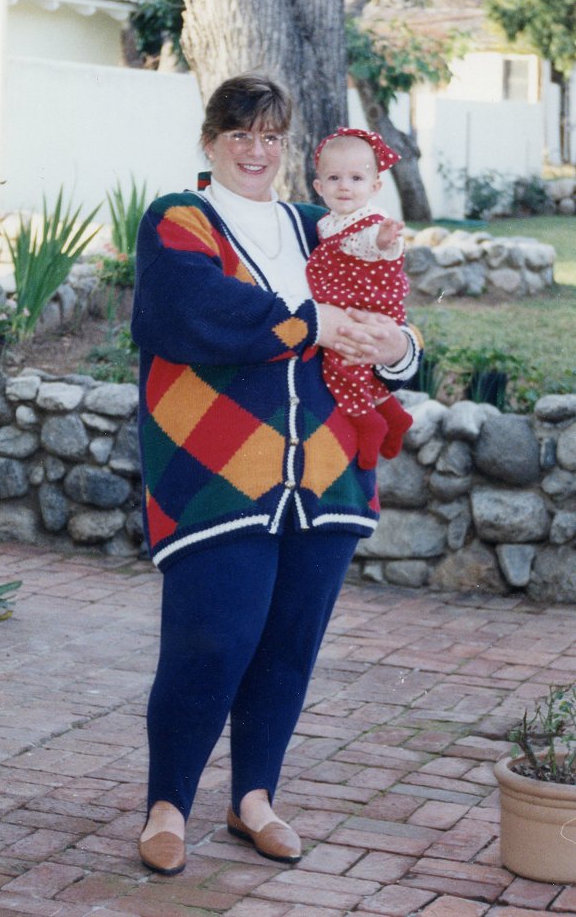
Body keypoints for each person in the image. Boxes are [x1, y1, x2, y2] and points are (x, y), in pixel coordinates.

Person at [131, 73, 421, 876]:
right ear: (211, 142)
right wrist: (314, 323)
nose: (255, 152)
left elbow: (386, 310)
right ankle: (168, 807)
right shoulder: (179, 220)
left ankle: (253, 798)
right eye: (238, 136)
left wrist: (397, 350)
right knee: (211, 643)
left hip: (326, 474)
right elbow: (191, 316)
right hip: (215, 474)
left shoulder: (317, 226)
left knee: (289, 646)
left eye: (270, 137)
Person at [307, 127, 413, 470]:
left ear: (375, 187)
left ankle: (368, 422)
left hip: (367, 307)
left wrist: (384, 240)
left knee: (342, 365)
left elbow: (371, 244)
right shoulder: (328, 223)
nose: (344, 186)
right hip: (351, 304)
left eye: (356, 178)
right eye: (334, 178)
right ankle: (394, 415)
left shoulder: (368, 222)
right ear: (319, 187)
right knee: (362, 370)